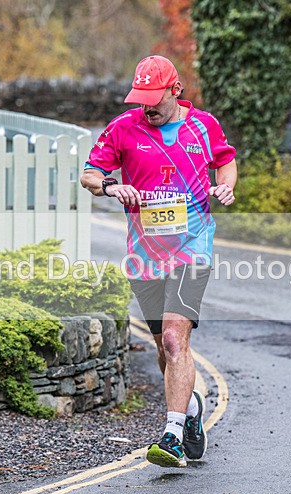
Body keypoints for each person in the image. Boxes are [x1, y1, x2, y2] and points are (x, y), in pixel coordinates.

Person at [80, 55, 237, 468]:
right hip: (145, 255)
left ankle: (170, 437)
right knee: (164, 353)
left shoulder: (203, 125)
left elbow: (225, 161)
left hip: (193, 246)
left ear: (175, 90)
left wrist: (225, 188)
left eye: (154, 98)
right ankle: (190, 409)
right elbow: (89, 174)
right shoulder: (123, 128)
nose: (146, 107)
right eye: (140, 99)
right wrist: (111, 187)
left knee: (173, 339)